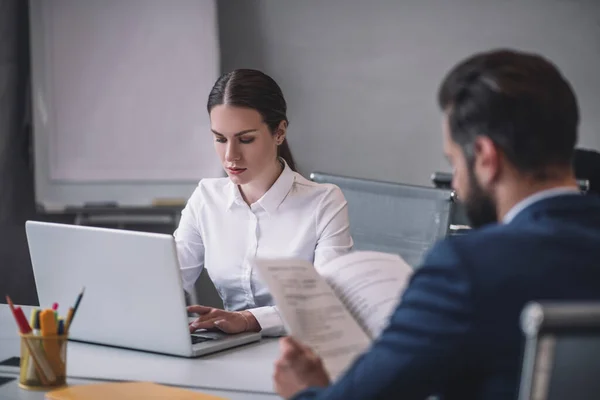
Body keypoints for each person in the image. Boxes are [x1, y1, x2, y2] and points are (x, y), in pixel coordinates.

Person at [272, 49, 600, 399]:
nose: (456, 184)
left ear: (486, 158)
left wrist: (305, 392)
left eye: (455, 162)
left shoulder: (467, 268)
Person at [174, 69, 353, 337]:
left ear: (279, 132)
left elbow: (324, 305)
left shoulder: (324, 202)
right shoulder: (206, 198)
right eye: (220, 139)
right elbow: (169, 280)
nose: (230, 156)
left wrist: (248, 320)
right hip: (228, 351)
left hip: (301, 352)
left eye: (246, 139)